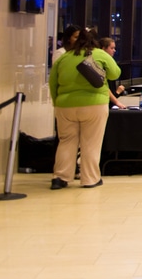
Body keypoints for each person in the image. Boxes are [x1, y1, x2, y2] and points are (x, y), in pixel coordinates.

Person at [49, 27, 121, 189]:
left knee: (66, 141)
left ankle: (60, 177)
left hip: (65, 105)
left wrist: (57, 103)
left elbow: (53, 82)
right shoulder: (99, 54)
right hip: (94, 104)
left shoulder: (64, 58)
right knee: (91, 142)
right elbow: (115, 74)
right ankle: (89, 178)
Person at [97, 37, 127, 109]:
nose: (114, 50)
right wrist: (117, 92)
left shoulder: (109, 65)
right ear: (103, 49)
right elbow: (105, 89)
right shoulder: (102, 67)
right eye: (112, 48)